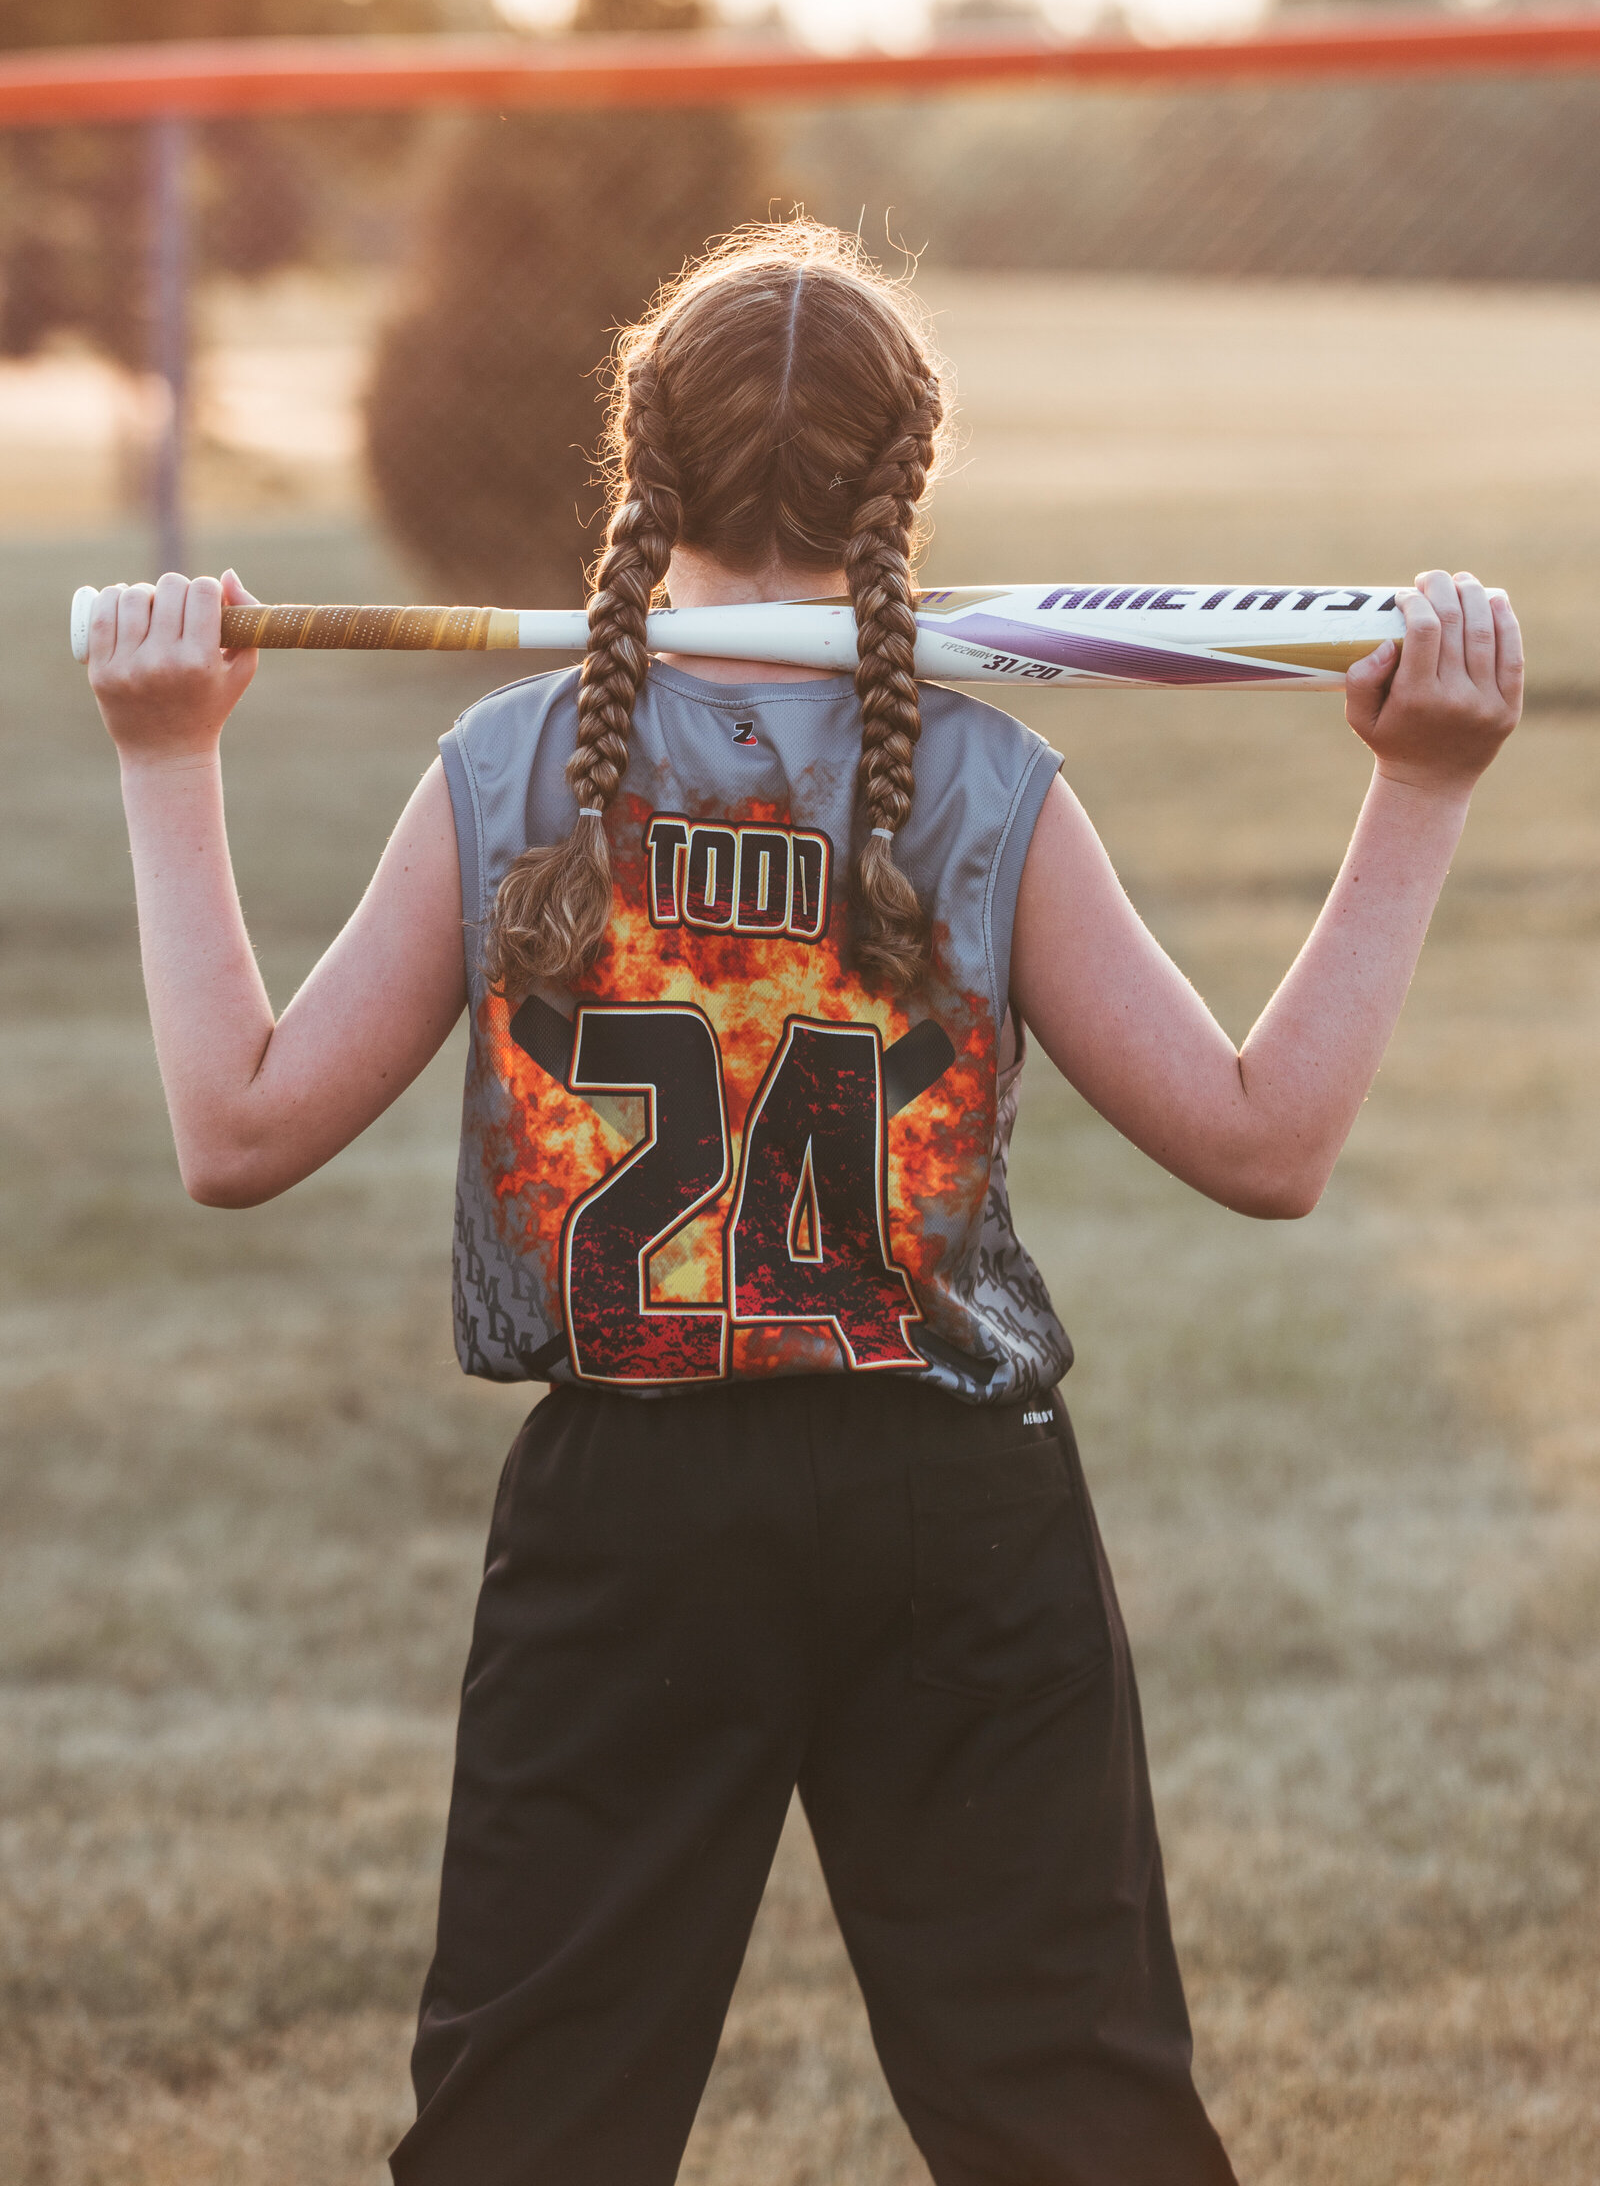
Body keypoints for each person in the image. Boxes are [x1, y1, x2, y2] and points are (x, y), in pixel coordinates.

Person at [84, 222, 1521, 2186]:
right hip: (958, 1514)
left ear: (635, 473)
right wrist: (1421, 790)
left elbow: (234, 1132)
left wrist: (166, 760)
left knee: (529, 2135)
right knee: (1069, 2121)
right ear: (896, 489)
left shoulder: (510, 766)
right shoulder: (984, 781)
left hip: (625, 1522)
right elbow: (1263, 1147)